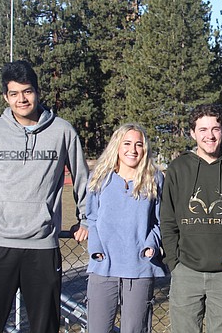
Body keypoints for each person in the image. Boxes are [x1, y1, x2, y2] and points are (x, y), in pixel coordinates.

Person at [0, 60, 89, 333]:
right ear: (5, 97)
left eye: (27, 91)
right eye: (14, 93)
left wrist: (85, 218)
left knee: (44, 326)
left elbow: (82, 178)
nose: (22, 99)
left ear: (37, 91)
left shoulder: (63, 131)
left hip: (42, 246)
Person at [160, 104, 222, 333]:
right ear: (192, 133)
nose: (210, 135)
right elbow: (167, 220)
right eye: (203, 129)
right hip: (186, 271)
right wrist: (174, 263)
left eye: (215, 128)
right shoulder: (178, 169)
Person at [86, 123, 167, 333]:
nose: (133, 149)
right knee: (98, 328)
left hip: (139, 267)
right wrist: (97, 250)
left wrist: (151, 246)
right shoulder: (100, 178)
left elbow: (160, 221)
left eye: (139, 144)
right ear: (117, 146)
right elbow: (91, 218)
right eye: (127, 143)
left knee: (134, 328)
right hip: (104, 266)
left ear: (145, 148)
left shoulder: (154, 179)